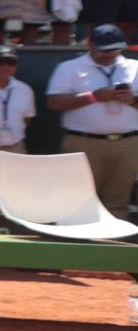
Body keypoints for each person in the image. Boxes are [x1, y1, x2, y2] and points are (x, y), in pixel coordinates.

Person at [44, 24, 138, 217]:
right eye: (105, 49)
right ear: (91, 45)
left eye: (115, 48)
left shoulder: (135, 67)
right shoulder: (69, 68)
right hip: (83, 142)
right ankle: (78, 244)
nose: (111, 54)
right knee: (78, 200)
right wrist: (92, 97)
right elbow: (53, 103)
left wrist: (132, 100)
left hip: (128, 143)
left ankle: (112, 245)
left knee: (118, 201)